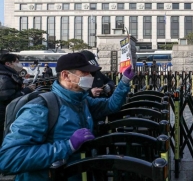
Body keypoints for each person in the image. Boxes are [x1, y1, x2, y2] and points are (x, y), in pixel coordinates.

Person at [0, 53, 134, 180]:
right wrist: (67, 146)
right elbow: (9, 158)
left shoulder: (82, 101)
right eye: (84, 72)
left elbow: (110, 105)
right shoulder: (41, 107)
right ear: (66, 75)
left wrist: (124, 82)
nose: (90, 76)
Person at [0, 54, 35, 144]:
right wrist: (27, 90)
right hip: (3, 115)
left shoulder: (7, 75)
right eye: (17, 62)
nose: (19, 64)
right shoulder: (4, 77)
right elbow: (9, 98)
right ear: (8, 64)